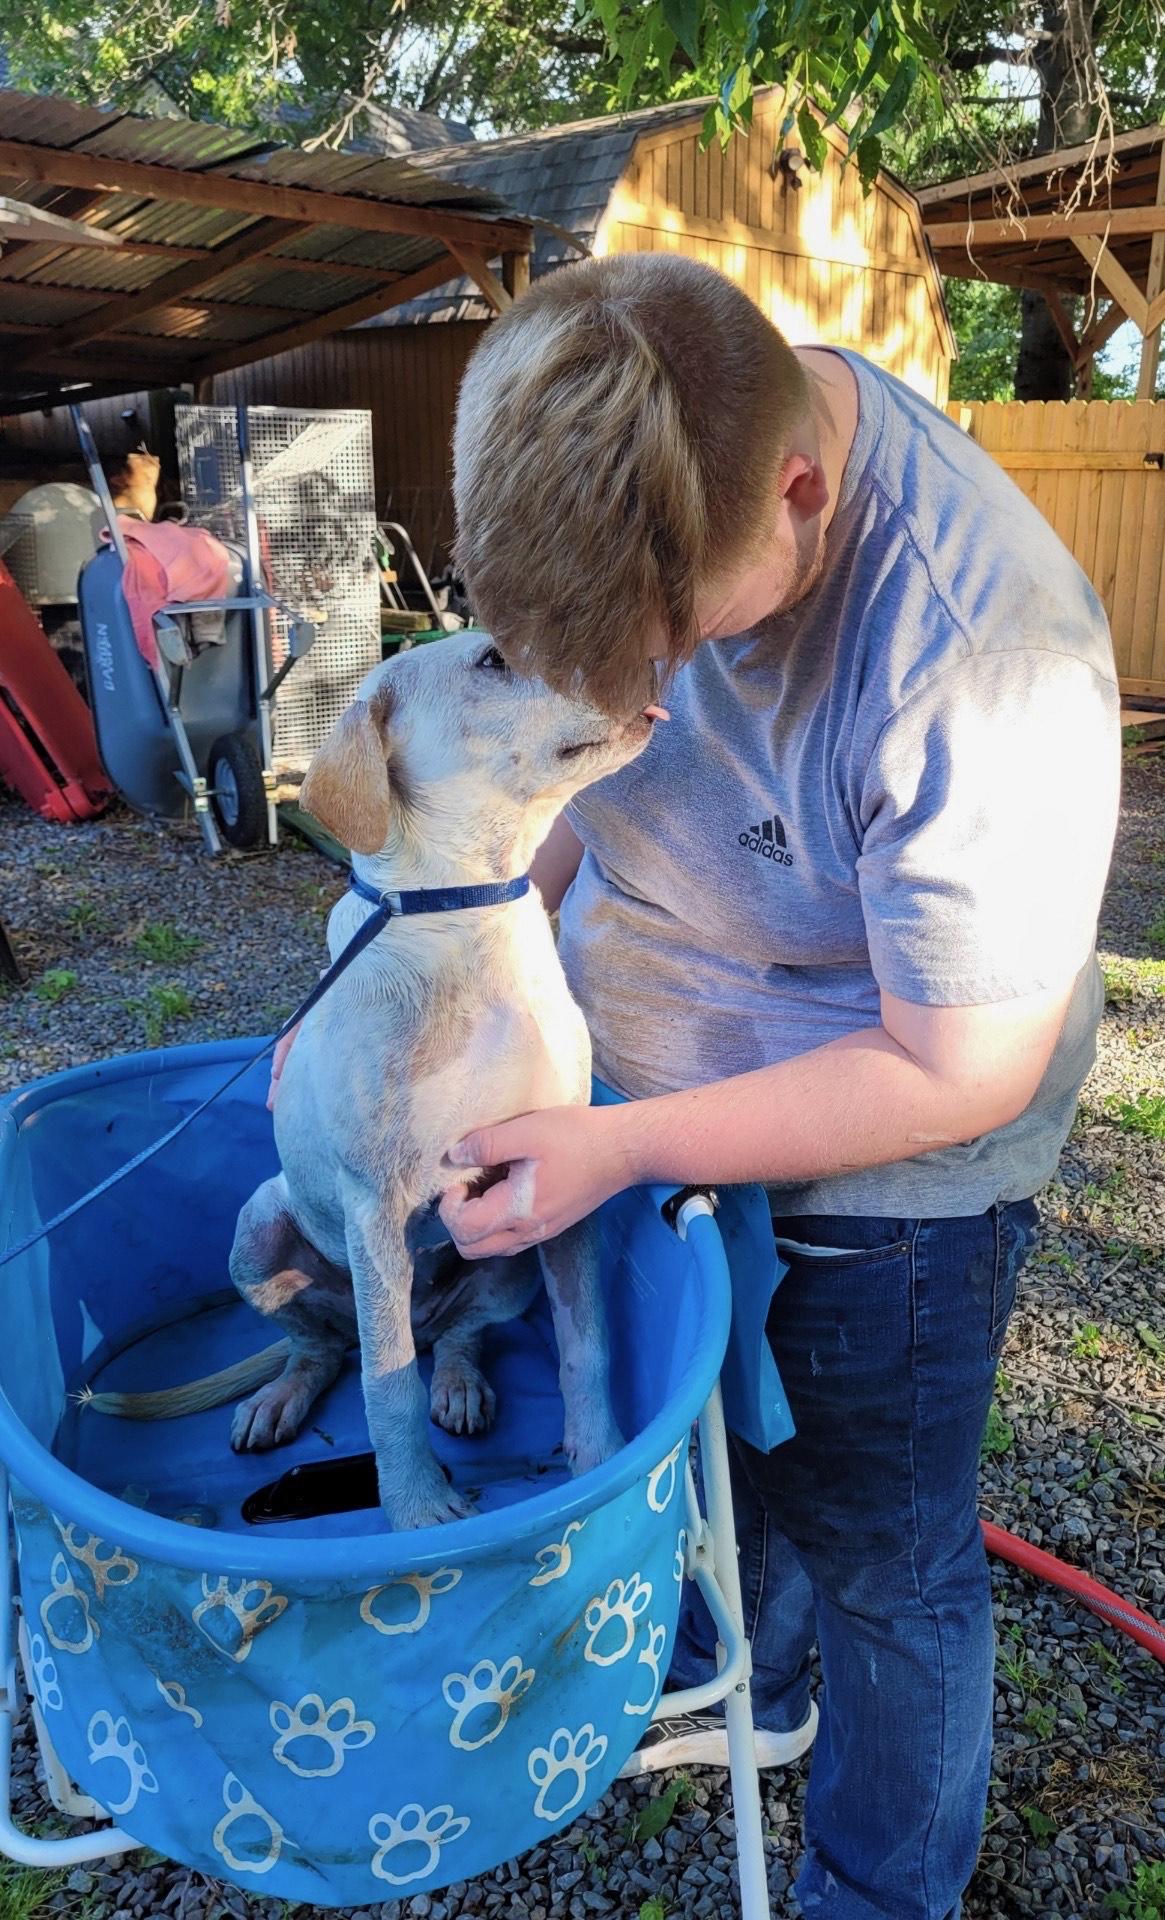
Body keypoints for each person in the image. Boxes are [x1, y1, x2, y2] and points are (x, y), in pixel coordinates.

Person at [272, 254, 1119, 1919]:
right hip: (634, 1110)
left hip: (889, 1161)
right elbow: (556, 795)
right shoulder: (661, 453)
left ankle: (873, 1888)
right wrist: (393, 967)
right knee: (731, 1450)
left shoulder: (978, 652)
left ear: (798, 496)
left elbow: (964, 1060)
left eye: (670, 648)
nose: (632, 702)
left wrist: (621, 1144)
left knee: (881, 1544)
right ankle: (758, 1668)